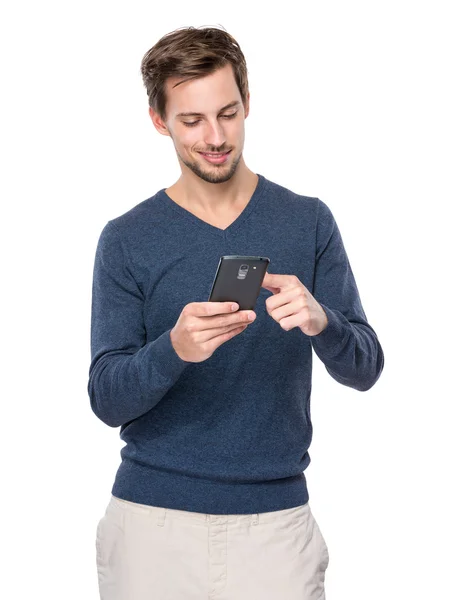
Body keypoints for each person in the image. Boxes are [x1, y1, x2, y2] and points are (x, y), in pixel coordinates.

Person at [88, 25, 384, 600]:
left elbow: (366, 368)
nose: (216, 137)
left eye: (228, 113)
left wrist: (323, 322)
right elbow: (105, 397)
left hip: (275, 528)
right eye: (191, 120)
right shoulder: (126, 238)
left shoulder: (308, 221)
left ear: (248, 102)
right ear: (159, 120)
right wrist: (173, 350)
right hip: (152, 528)